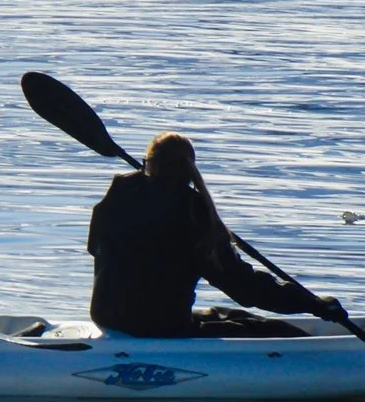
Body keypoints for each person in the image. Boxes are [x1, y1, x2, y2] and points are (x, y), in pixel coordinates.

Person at [88, 132, 347, 339]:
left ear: (147, 164)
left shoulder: (113, 201)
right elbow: (244, 287)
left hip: (108, 318)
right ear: (190, 170)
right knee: (284, 334)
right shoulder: (194, 216)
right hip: (161, 329)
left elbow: (94, 249)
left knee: (224, 315)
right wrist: (313, 304)